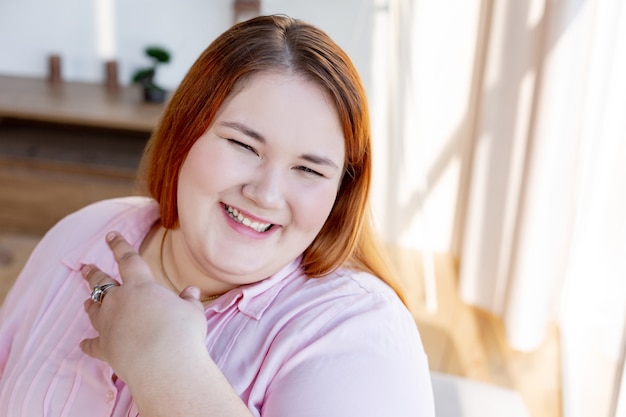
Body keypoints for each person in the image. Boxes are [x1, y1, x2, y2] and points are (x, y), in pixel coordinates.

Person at [0, 15, 435, 417]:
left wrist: (168, 369)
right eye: (243, 146)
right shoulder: (86, 234)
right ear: (184, 133)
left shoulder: (359, 334)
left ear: (341, 190)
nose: (265, 194)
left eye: (308, 169)